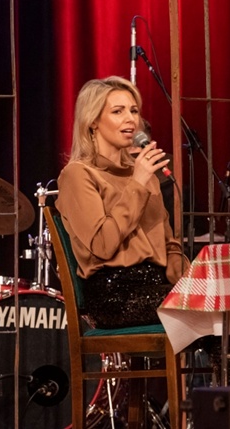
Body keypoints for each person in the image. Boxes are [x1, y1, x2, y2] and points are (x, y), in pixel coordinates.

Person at [56, 76, 189, 328]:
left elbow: (169, 245)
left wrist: (191, 279)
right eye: (118, 111)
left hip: (158, 285)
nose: (131, 119)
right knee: (214, 313)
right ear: (93, 121)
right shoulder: (78, 174)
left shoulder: (144, 175)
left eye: (134, 111)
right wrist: (137, 184)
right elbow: (103, 245)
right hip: (114, 295)